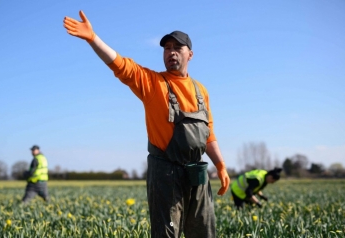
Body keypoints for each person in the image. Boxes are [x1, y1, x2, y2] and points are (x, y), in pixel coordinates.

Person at [63, 10, 230, 238]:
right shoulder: (153, 83)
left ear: (189, 54)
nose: (171, 52)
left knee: (204, 232)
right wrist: (93, 38)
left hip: (197, 173)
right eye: (167, 48)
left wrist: (220, 165)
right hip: (166, 172)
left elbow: (208, 134)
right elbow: (121, 65)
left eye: (177, 47)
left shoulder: (201, 91)